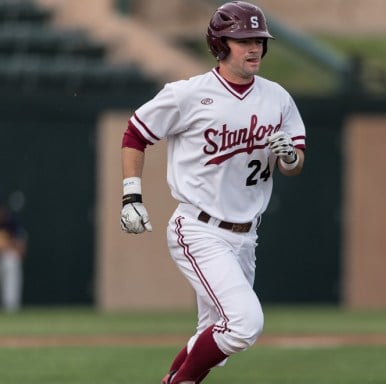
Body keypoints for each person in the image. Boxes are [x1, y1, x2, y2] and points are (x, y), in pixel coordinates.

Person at [119, 2, 306, 383]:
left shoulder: (278, 98)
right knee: (244, 323)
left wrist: (289, 157)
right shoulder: (189, 94)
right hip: (199, 227)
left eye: (258, 39)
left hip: (246, 235)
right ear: (220, 45)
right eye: (242, 40)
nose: (254, 48)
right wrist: (131, 195)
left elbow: (295, 163)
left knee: (215, 344)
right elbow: (135, 133)